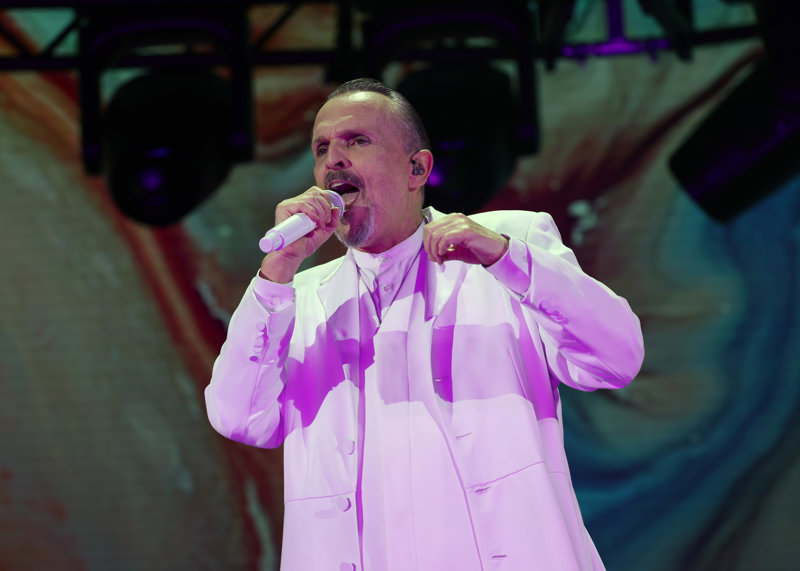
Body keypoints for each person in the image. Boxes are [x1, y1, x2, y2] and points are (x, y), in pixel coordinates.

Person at [205, 77, 644, 570]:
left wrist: (505, 258)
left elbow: (617, 359)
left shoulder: (505, 245)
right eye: (322, 148)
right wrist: (278, 272)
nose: (334, 160)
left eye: (357, 141)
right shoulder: (297, 297)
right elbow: (239, 418)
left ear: (417, 169)